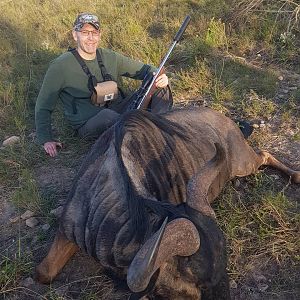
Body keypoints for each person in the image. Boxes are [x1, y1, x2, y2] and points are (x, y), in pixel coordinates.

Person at [35, 13, 172, 157]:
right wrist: (46, 139)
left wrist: (159, 75)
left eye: (94, 32)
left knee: (159, 87)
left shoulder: (109, 56)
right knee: (109, 117)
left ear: (100, 35)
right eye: (85, 33)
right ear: (75, 35)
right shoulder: (60, 66)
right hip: (89, 123)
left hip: (119, 110)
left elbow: (145, 70)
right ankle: (141, 141)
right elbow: (43, 105)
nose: (91, 38)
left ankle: (160, 132)